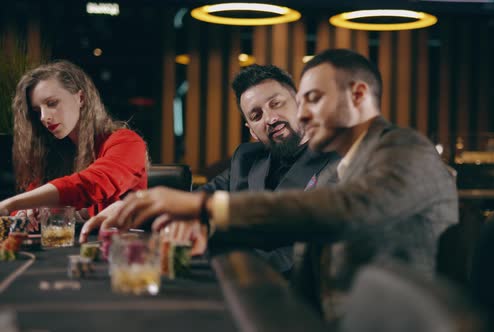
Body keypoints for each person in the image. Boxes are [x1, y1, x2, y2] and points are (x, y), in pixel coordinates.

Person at [107, 49, 458, 320]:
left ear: (358, 96)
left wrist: (207, 211)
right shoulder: (307, 155)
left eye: (314, 99)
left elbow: (340, 210)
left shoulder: (405, 151)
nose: (301, 113)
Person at [80, 64, 338, 273]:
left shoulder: (338, 163)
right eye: (256, 115)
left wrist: (208, 240)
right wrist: (133, 205)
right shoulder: (246, 158)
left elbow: (294, 257)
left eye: (276, 103)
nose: (270, 119)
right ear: (251, 130)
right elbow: (196, 200)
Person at [0, 60, 147, 228]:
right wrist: (22, 213)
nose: (43, 117)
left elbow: (91, 185)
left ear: (81, 98)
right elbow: (30, 199)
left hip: (118, 248)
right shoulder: (55, 153)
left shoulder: (127, 142)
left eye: (52, 103)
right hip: (66, 250)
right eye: (37, 111)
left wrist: (11, 203)